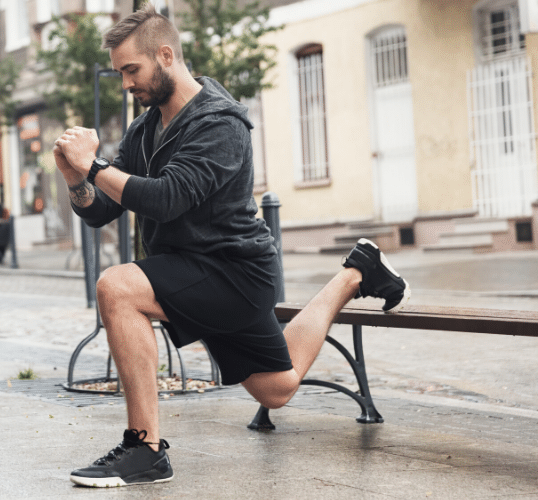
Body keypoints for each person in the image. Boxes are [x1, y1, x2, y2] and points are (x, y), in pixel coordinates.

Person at [52, 4, 411, 488]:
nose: (126, 84)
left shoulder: (220, 123)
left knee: (117, 286)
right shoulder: (146, 128)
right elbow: (102, 210)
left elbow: (167, 199)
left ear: (165, 55)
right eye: (120, 73)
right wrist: (77, 177)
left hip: (234, 274)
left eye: (131, 70)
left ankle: (145, 449)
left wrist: (94, 166)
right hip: (191, 271)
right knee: (276, 389)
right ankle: (356, 272)